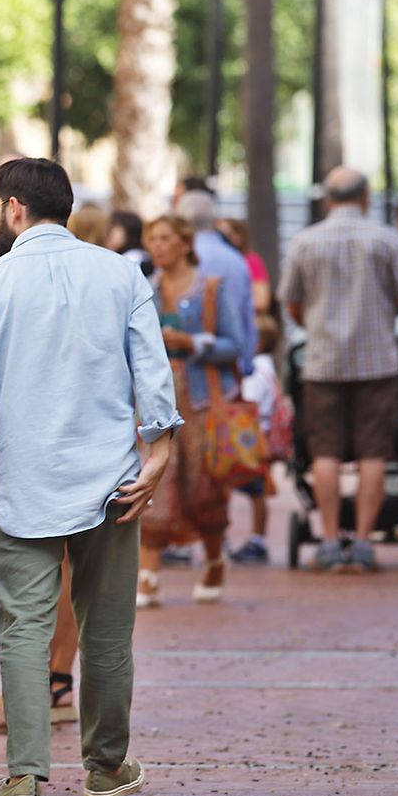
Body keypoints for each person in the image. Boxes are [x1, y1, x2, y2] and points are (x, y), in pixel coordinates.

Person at [0, 157, 181, 796]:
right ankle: (105, 766)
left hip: (25, 484)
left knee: (24, 629)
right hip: (112, 480)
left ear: (15, 208)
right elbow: (151, 372)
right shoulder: (119, 273)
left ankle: (24, 776)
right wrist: (158, 447)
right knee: (107, 628)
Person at [278, 167, 398, 571]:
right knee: (374, 451)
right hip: (378, 363)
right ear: (366, 196)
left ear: (328, 199)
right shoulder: (386, 240)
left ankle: (331, 539)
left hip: (322, 363)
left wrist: (315, 323)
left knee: (326, 451)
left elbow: (292, 303)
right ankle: (366, 540)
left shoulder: (304, 242)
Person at [134, 216, 241, 607]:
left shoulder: (210, 289)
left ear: (185, 243)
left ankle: (214, 559)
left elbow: (237, 344)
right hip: (154, 400)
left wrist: (193, 342)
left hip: (200, 401)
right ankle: (148, 573)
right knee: (155, 482)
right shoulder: (144, 289)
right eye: (152, 238)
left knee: (203, 485)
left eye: (165, 238)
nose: (158, 246)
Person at [175, 190, 254, 374]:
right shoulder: (236, 260)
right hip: (230, 371)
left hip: (188, 373)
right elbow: (247, 320)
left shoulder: (181, 259)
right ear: (215, 219)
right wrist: (246, 367)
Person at [230, 317, 284, 565]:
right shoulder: (269, 368)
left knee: (255, 490)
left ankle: (257, 539)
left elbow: (247, 402)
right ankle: (256, 538)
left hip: (253, 438)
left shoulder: (256, 371)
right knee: (256, 490)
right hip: (259, 435)